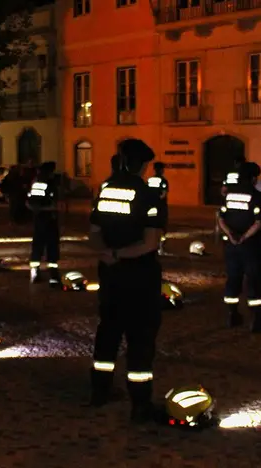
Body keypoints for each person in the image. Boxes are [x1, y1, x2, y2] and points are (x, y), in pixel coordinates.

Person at [88, 140, 164, 422]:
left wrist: (107, 252)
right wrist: (121, 253)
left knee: (108, 330)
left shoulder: (105, 190)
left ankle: (99, 390)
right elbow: (150, 242)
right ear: (144, 166)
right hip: (139, 276)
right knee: (140, 339)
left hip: (109, 273)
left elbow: (93, 232)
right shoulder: (147, 194)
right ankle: (140, 403)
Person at [218, 161, 261, 333]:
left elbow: (221, 218)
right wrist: (244, 237)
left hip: (231, 246)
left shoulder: (229, 195)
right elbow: (259, 222)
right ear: (253, 178)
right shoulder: (257, 196)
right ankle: (256, 320)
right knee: (254, 280)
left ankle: (232, 315)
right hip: (251, 246)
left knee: (233, 278)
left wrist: (231, 235)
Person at [26, 161, 61, 286]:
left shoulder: (36, 182)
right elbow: (54, 202)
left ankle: (35, 271)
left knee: (38, 245)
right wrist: (51, 208)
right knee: (51, 246)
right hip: (49, 218)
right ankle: (53, 275)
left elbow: (30, 202)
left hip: (38, 219)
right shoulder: (49, 183)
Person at [147, 161, 169, 255]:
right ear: (161, 170)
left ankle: (151, 246)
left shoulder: (150, 180)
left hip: (151, 206)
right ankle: (160, 248)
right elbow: (163, 194)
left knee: (152, 225)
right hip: (161, 207)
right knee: (162, 226)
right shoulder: (163, 181)